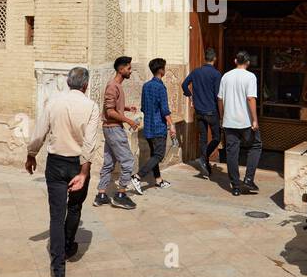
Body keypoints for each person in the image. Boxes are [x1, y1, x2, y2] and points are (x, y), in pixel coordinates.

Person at [25, 66, 101, 277]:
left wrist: (31, 154)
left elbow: (39, 133)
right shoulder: (91, 107)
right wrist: (84, 173)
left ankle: (58, 271)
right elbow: (90, 142)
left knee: (56, 216)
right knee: (75, 207)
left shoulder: (54, 103)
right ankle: (67, 246)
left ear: (68, 83)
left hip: (56, 164)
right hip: (78, 164)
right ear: (85, 85)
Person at [95, 56, 141, 209]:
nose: (130, 70)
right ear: (121, 70)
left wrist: (126, 108)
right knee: (128, 162)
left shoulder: (116, 86)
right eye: (128, 68)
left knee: (109, 163)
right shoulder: (113, 86)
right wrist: (129, 121)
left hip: (110, 129)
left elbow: (113, 106)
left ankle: (101, 194)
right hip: (114, 129)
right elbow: (110, 111)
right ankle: (120, 194)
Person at [218, 50, 262, 196]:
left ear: (235, 61)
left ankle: (235, 186)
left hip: (229, 121)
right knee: (256, 145)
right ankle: (249, 179)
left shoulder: (226, 76)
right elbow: (251, 98)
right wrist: (255, 119)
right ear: (248, 63)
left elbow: (220, 99)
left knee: (232, 153)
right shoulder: (250, 77)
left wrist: (222, 116)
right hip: (246, 121)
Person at [181, 47, 222, 179]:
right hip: (211, 111)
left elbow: (184, 85)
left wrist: (190, 95)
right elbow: (218, 95)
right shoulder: (216, 74)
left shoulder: (196, 72)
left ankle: (203, 160)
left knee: (203, 138)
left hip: (199, 111)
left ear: (205, 58)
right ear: (214, 59)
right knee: (217, 137)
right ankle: (204, 159)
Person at [137, 58, 173, 189]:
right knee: (159, 155)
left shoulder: (146, 86)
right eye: (164, 67)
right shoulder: (161, 87)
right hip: (158, 127)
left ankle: (158, 180)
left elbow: (143, 107)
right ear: (161, 70)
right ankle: (138, 177)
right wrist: (171, 125)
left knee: (154, 154)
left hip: (148, 127)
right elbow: (165, 110)